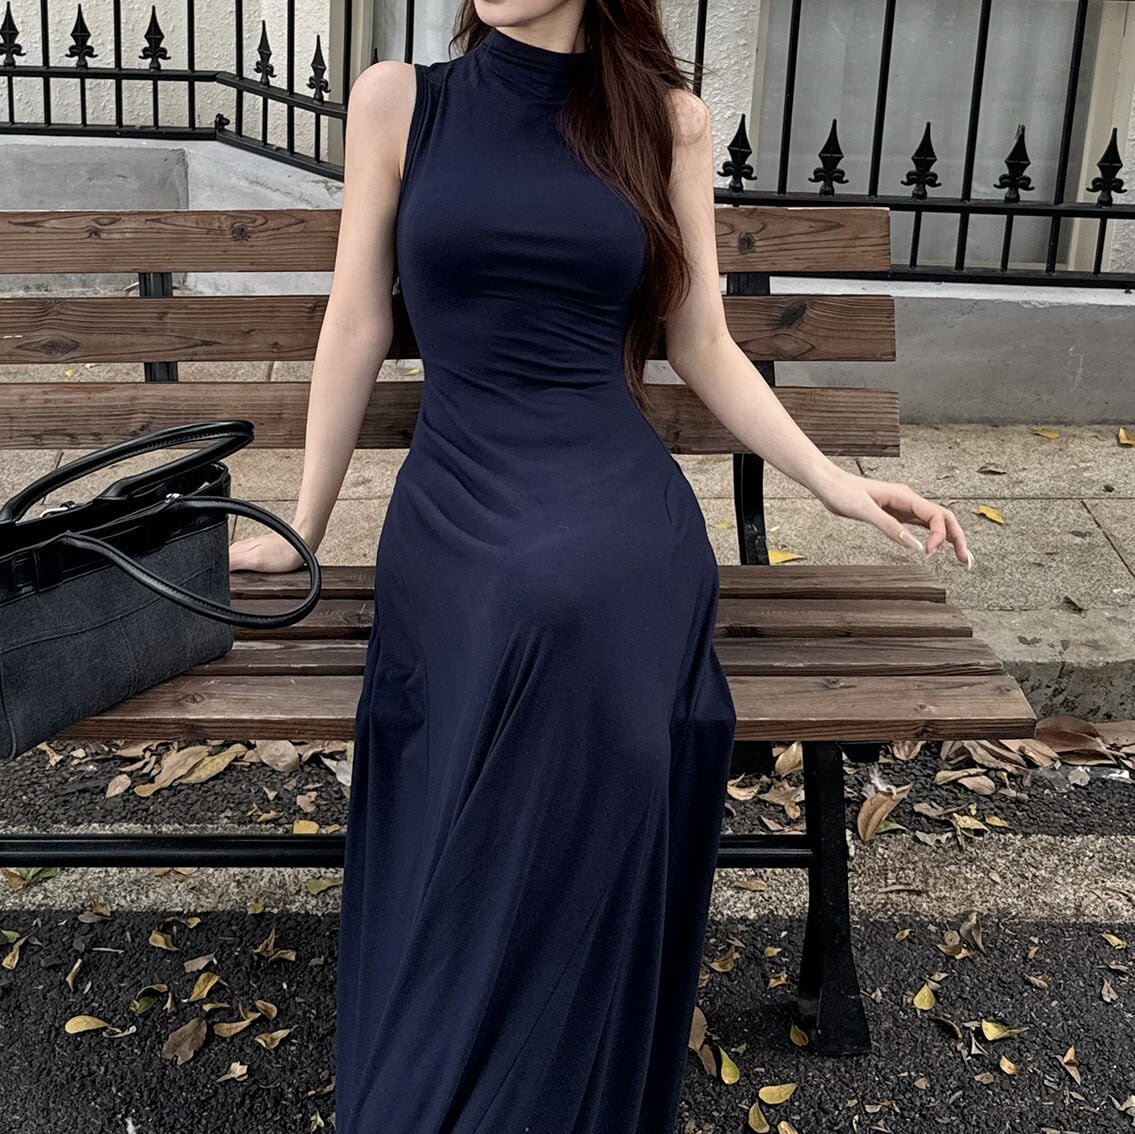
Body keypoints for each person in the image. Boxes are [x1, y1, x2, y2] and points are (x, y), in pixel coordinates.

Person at [228, 0, 972, 1129]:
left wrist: (832, 482)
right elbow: (355, 322)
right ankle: (471, 1052)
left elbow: (699, 338)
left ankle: (542, 1069)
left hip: (615, 496)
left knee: (574, 610)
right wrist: (305, 527)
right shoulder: (398, 101)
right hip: (460, 497)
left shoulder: (666, 123)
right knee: (535, 606)